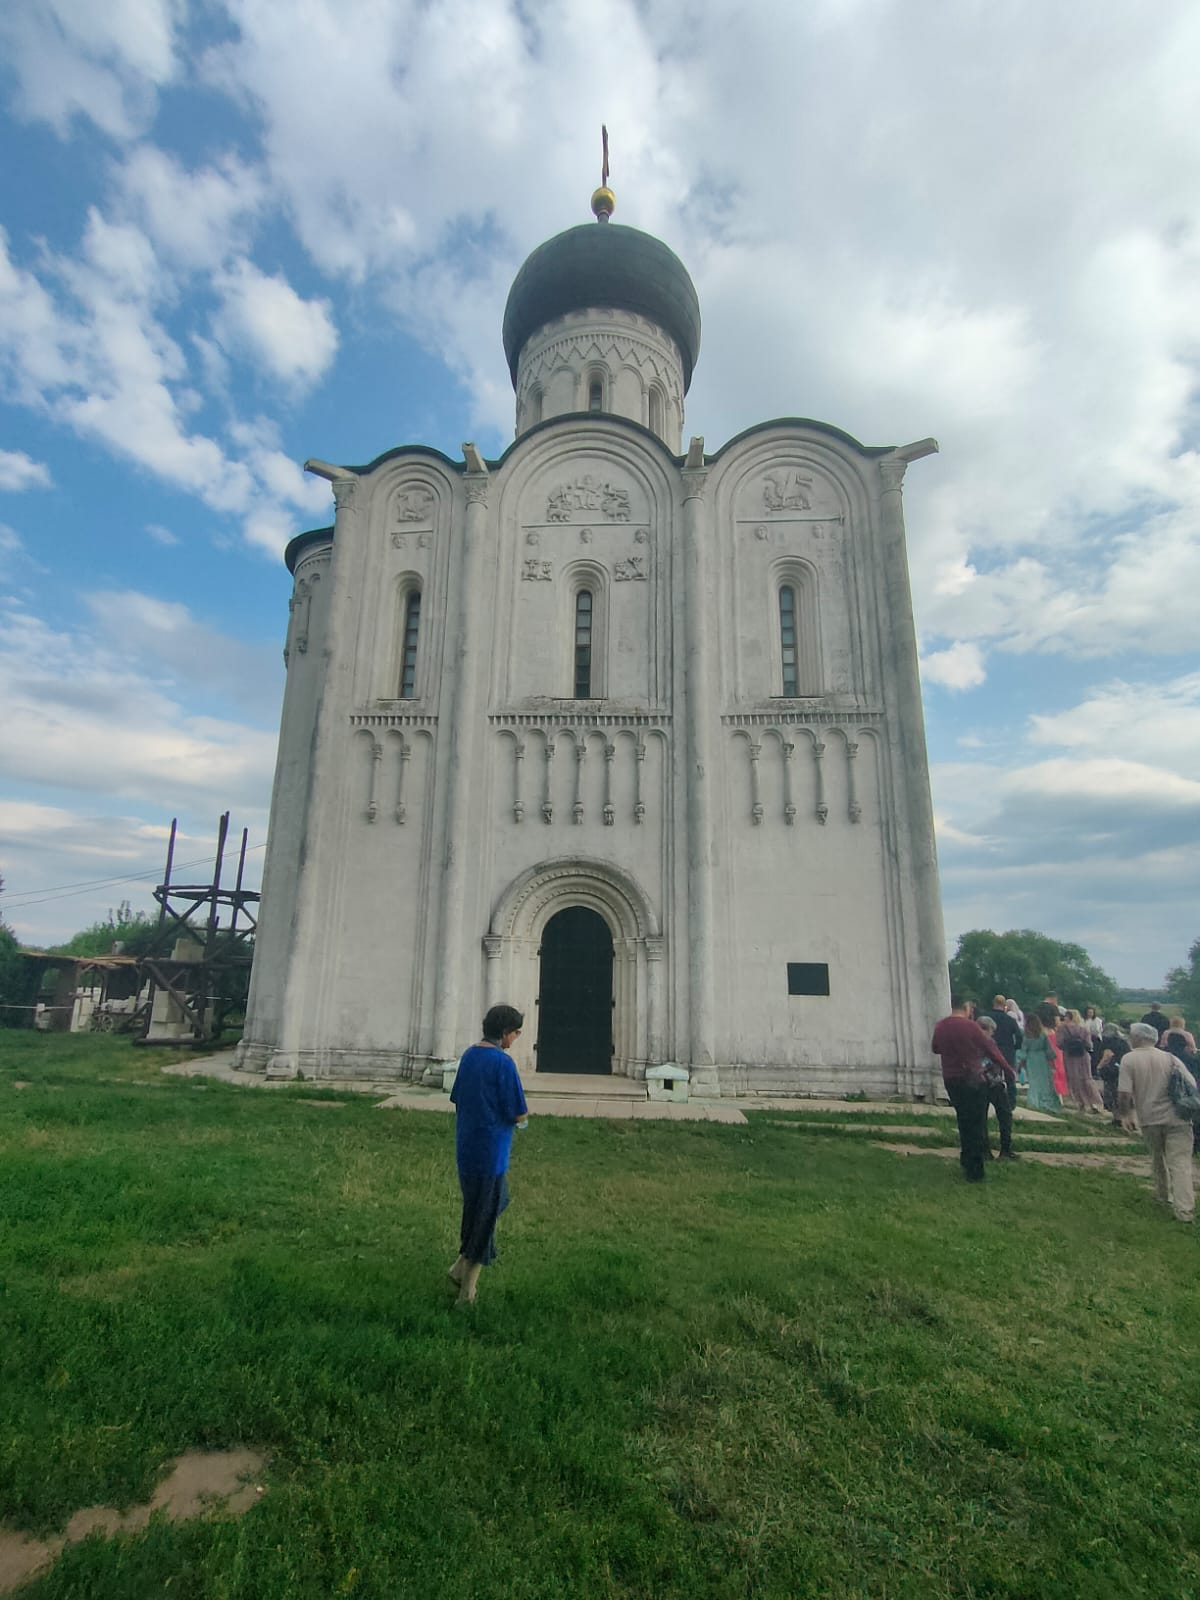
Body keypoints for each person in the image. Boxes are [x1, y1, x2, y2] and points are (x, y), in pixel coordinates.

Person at [447, 1004, 529, 1306]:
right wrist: (520, 1120)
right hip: (491, 1152)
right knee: (483, 1216)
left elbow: (457, 1096)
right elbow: (518, 1111)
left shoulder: (469, 1055)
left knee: (491, 1203)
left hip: (467, 1147)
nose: (516, 1038)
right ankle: (467, 1291)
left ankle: (459, 1266)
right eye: (516, 1033)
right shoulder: (502, 1063)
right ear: (506, 1033)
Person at [1118, 1022, 1196, 1224]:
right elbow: (1192, 1084)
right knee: (1180, 1164)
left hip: (1149, 1118)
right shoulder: (1170, 1058)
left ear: (1136, 1038)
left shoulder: (1129, 1059)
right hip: (1178, 1117)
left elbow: (1124, 1093)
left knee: (1157, 1159)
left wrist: (1126, 1115)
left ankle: (1164, 1196)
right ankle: (1185, 1211)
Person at [932, 996, 1015, 1182]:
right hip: (972, 1078)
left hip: (951, 1078)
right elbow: (991, 1050)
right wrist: (1009, 1070)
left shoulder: (941, 1026)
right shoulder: (971, 1027)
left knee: (963, 1119)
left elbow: (935, 1048)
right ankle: (975, 1170)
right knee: (976, 1123)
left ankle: (965, 1158)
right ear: (966, 1007)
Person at [977, 1015, 1019, 1159]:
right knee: (1005, 1114)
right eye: (991, 1030)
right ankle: (1005, 1150)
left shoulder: (970, 1040)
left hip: (977, 1081)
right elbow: (998, 1058)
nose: (992, 1033)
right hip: (994, 1082)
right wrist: (1010, 1071)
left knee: (981, 1117)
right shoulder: (988, 1041)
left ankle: (984, 1151)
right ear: (985, 1029)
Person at [1057, 1009, 1105, 1113]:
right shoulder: (1084, 1029)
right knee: (1087, 1078)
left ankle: (1080, 1103)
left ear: (1068, 1017)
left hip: (1069, 1056)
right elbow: (1089, 1045)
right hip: (1083, 1056)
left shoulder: (1062, 1029)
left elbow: (1059, 1043)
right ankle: (1093, 1103)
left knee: (1074, 1079)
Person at [1016, 1013, 1060, 1112]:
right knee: (1045, 1082)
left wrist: (1020, 1062)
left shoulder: (1026, 1036)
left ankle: (1034, 1102)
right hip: (1042, 1058)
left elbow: (1023, 1051)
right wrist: (1052, 1062)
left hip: (1031, 1059)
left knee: (1034, 1082)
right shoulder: (1043, 1035)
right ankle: (1047, 1102)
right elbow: (1049, 1050)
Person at [1095, 1021, 1130, 1125]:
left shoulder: (1108, 1042)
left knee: (1111, 1093)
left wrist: (1099, 1066)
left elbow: (1107, 1055)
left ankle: (1117, 1118)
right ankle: (1125, 1119)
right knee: (1121, 1092)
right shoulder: (1124, 1042)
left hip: (1111, 1071)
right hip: (1124, 1069)